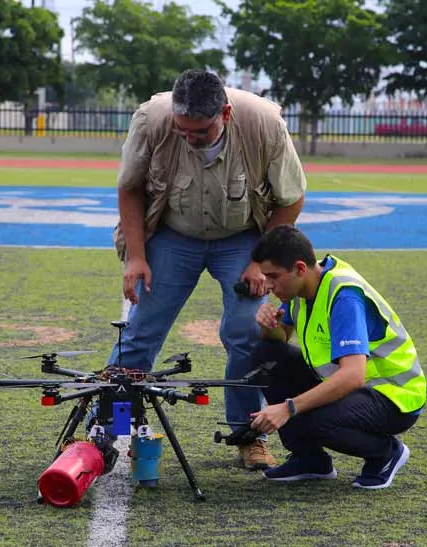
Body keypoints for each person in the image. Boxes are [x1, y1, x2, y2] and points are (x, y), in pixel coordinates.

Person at [110, 69, 307, 470]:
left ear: (226, 113)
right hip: (172, 232)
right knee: (140, 331)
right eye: (182, 130)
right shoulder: (152, 119)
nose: (189, 139)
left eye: (199, 132)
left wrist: (258, 262)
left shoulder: (265, 124)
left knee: (245, 332)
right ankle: (111, 427)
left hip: (240, 237)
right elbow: (130, 187)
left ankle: (247, 435)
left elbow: (291, 197)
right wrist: (136, 256)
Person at [247, 224, 426, 488]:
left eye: (273, 277)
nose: (269, 286)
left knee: (315, 418)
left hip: (393, 396)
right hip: (354, 387)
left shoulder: (344, 297)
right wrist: (268, 326)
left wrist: (288, 408)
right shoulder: (303, 285)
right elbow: (281, 339)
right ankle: (310, 459)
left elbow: (353, 376)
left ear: (299, 268)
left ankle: (386, 454)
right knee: (266, 355)